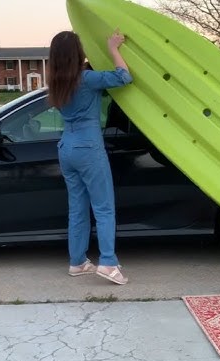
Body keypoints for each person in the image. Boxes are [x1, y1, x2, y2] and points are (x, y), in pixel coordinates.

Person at [47, 29, 133, 285]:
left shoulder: (56, 82)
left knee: (78, 209)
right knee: (104, 208)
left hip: (67, 149)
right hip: (88, 149)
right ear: (77, 53)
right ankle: (107, 262)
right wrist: (114, 49)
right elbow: (124, 77)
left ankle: (78, 262)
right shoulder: (87, 79)